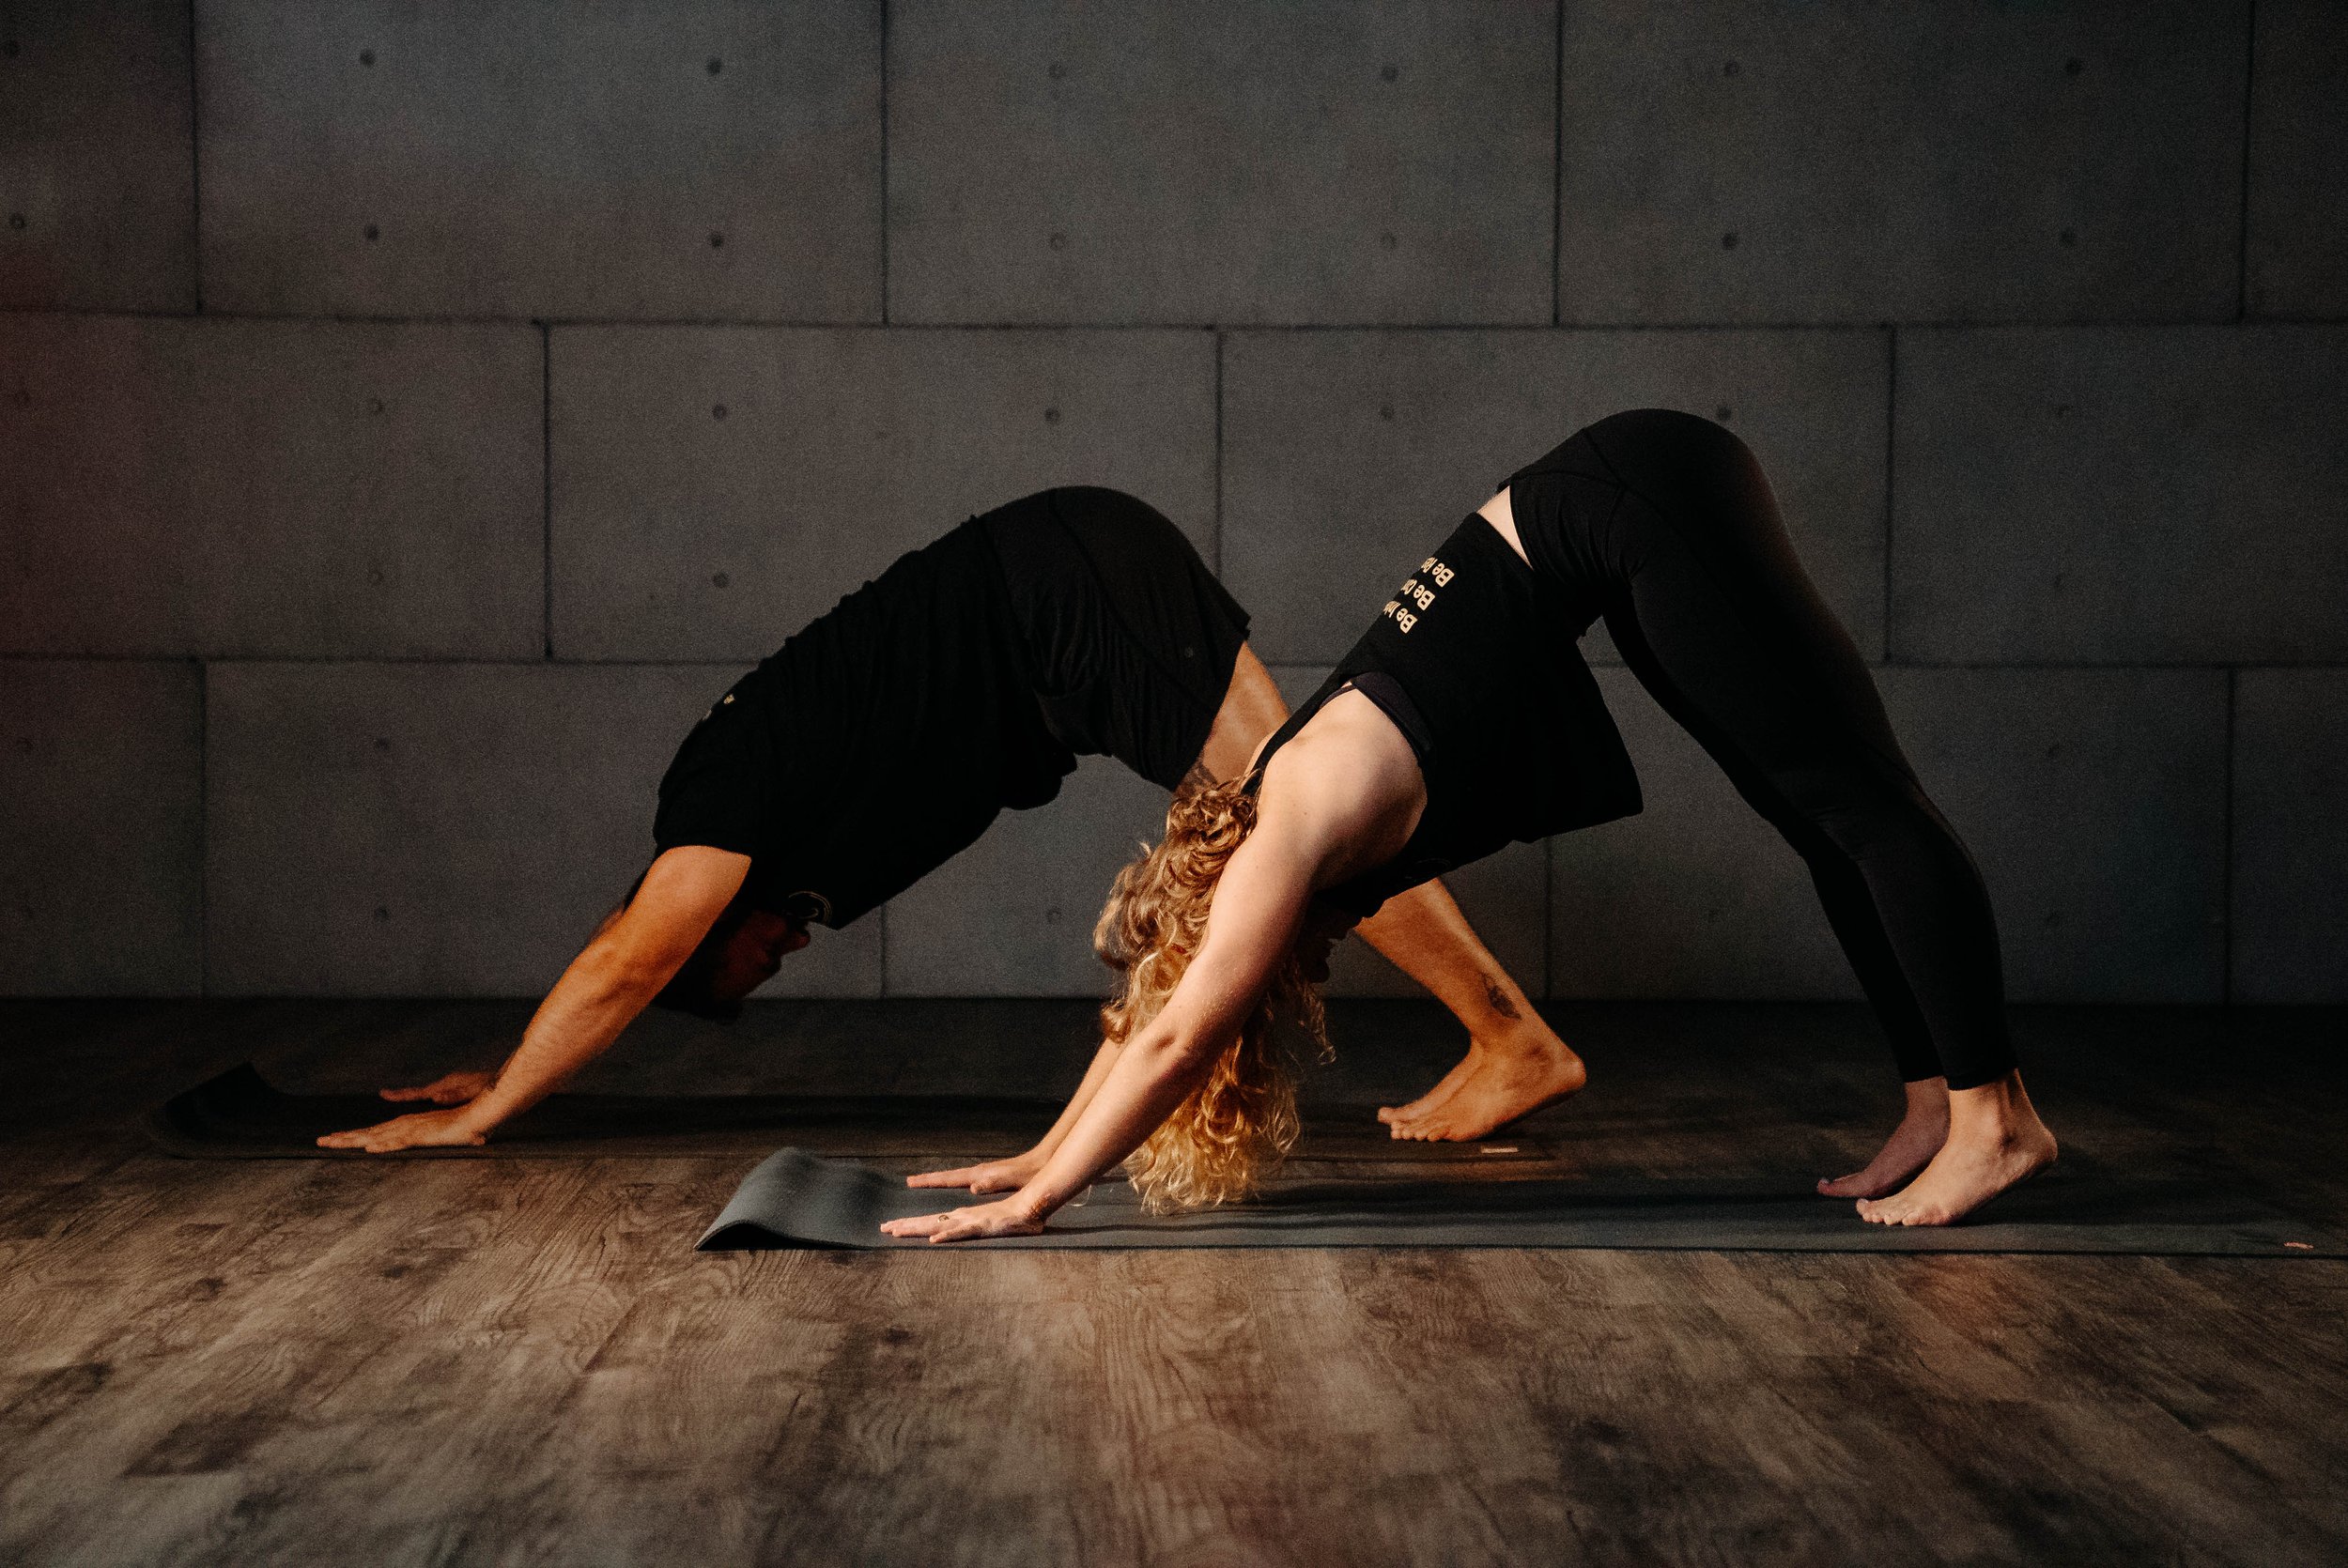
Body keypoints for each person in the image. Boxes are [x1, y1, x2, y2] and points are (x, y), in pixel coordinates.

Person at [885, 411, 2057, 1242]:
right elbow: (1149, 1010)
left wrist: (1039, 1202)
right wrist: (1041, 1146)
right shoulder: (1260, 822)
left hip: (1638, 492)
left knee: (1855, 797)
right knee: (1816, 814)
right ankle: (1931, 1099)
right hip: (1620, 498)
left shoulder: (1288, 829)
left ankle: (1995, 1117)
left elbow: (1174, 1038)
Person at [317, 487, 1576, 1154]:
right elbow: (636, 955)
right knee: (1297, 809)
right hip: (1069, 583)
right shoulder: (760, 829)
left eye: (747, 962)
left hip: (1060, 594)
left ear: (710, 927)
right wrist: (524, 1064)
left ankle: (1510, 1037)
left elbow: (632, 955)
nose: (781, 957)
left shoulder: (711, 803)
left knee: (1297, 817)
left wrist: (489, 1113)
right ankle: (1502, 1034)